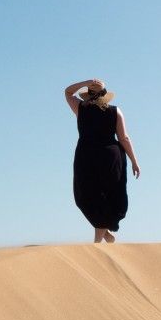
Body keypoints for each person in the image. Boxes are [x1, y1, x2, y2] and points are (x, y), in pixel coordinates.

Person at [64, 78, 140, 243]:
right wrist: (134, 161)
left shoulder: (80, 108)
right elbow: (124, 138)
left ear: (88, 95)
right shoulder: (115, 111)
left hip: (87, 156)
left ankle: (97, 244)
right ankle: (104, 234)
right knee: (107, 195)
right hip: (110, 157)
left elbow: (68, 92)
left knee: (87, 195)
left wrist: (84, 83)